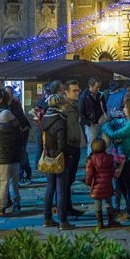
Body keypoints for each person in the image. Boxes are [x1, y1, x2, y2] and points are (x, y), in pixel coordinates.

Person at [102, 96, 130, 221]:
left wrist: (106, 126)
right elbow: (119, 124)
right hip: (128, 157)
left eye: (126, 107)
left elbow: (114, 134)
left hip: (129, 157)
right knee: (123, 183)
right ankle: (129, 208)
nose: (124, 109)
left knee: (128, 184)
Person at [41, 94, 75, 230]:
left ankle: (47, 218)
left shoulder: (45, 118)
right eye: (65, 104)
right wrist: (69, 153)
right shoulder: (60, 120)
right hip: (59, 158)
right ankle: (63, 220)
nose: (66, 106)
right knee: (61, 189)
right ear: (60, 105)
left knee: (50, 188)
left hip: (48, 156)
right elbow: (61, 144)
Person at [0, 107, 23, 216]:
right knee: (14, 183)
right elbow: (21, 144)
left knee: (3, 184)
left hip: (2, 162)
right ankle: (17, 203)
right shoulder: (17, 130)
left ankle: (1, 207)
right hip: (15, 159)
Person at [61, 80, 86, 217]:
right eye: (74, 91)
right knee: (65, 180)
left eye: (78, 90)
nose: (78, 92)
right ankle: (64, 209)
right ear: (66, 92)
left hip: (75, 147)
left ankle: (68, 207)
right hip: (68, 147)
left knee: (70, 179)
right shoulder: (64, 107)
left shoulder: (75, 105)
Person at [85, 138, 119, 229]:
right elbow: (113, 171)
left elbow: (89, 174)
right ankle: (111, 220)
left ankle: (100, 222)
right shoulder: (110, 158)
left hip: (96, 186)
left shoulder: (91, 160)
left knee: (97, 203)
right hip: (107, 184)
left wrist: (88, 183)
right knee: (108, 203)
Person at [79, 78, 107, 155]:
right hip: (91, 126)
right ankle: (90, 163)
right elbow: (81, 113)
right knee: (92, 145)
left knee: (101, 145)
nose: (98, 89)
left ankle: (100, 162)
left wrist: (104, 118)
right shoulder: (83, 97)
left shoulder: (100, 95)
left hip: (101, 124)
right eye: (96, 87)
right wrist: (89, 123)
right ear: (90, 86)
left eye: (99, 87)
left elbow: (104, 109)